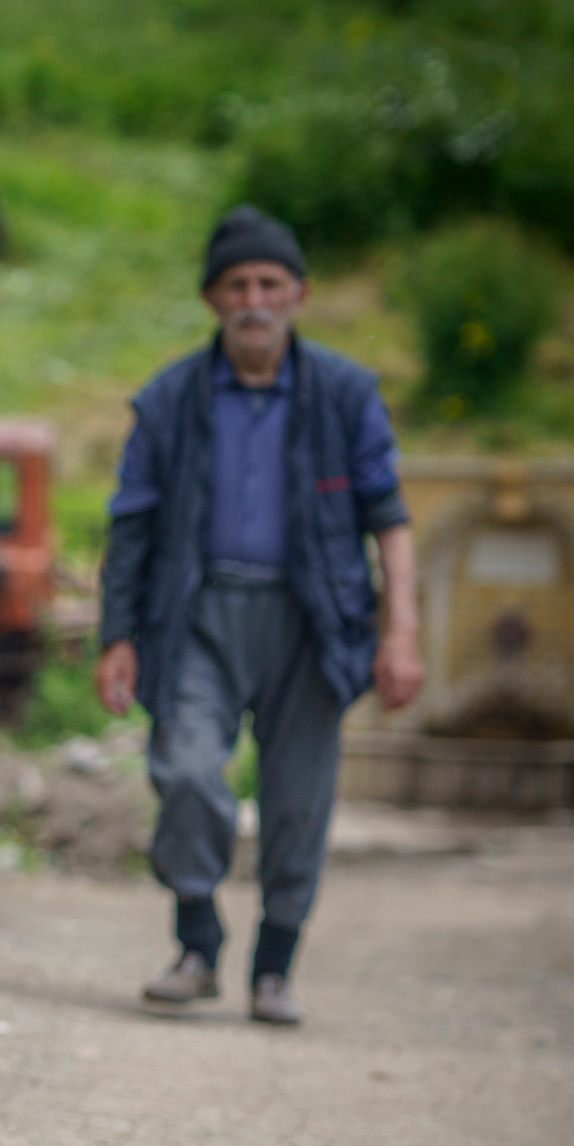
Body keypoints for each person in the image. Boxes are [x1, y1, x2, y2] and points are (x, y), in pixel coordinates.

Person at [97, 205, 425, 1027]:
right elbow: (131, 523)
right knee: (187, 771)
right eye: (237, 284)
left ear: (299, 294)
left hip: (313, 620)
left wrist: (403, 632)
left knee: (298, 801)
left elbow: (389, 519)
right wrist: (117, 637)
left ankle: (274, 967)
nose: (254, 299)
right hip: (197, 615)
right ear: (213, 298)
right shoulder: (169, 400)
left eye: (270, 283)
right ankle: (199, 944)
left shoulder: (346, 395)